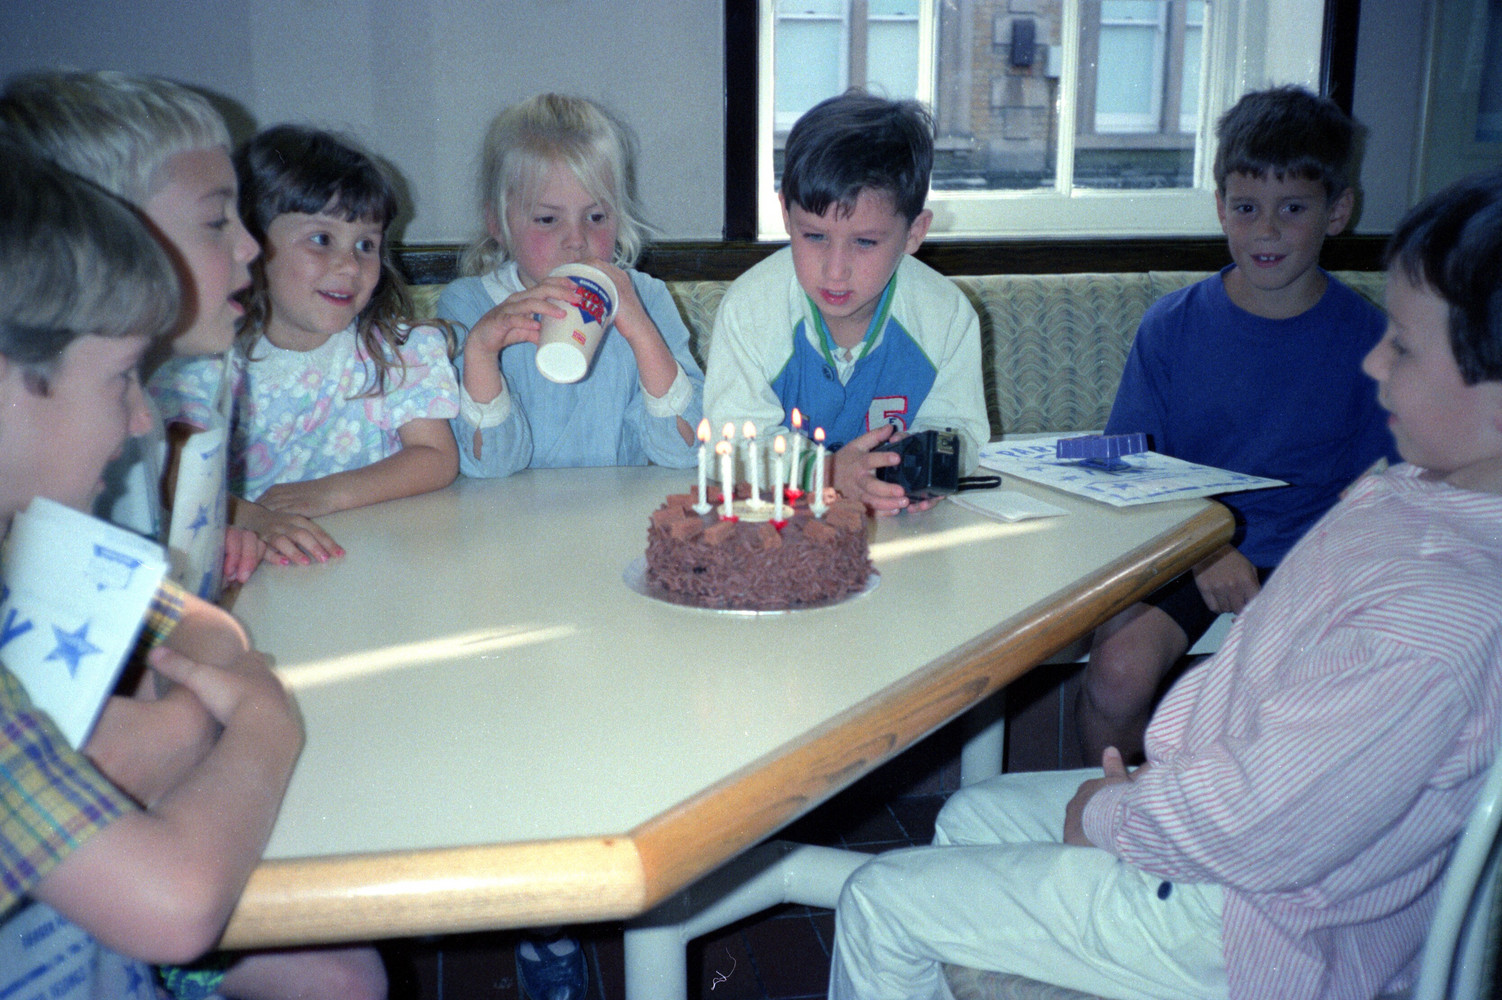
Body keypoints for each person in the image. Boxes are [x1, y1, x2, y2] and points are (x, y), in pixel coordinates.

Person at [827, 166, 1502, 1000]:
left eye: (1403, 344)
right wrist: (1150, 794)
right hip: (1227, 820)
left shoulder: (1439, 619)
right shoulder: (1417, 495)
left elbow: (1265, 825)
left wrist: (1116, 816)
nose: (1373, 357)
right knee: (971, 817)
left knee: (879, 902)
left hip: (1255, 924)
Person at [0, 142, 386, 1000]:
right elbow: (173, 906)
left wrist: (173, 723)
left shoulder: (33, 547)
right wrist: (261, 718)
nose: (143, 419)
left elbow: (198, 624)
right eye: (120, 382)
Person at [1077, 85, 1398, 762]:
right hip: (1188, 543)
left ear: (1338, 211)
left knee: (1299, 703)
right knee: (1117, 671)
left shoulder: (1371, 339)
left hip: (1310, 561)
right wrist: (1206, 548)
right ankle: (1114, 811)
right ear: (1221, 207)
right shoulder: (1172, 325)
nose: (1267, 231)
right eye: (1247, 208)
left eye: (1293, 209)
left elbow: (1383, 493)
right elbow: (1129, 467)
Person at [0, 69, 266, 593]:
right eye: (217, 221)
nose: (251, 247)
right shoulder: (67, 430)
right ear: (112, 230)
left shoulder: (131, 411)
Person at [156, 125, 460, 567]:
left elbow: (435, 457)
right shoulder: (206, 364)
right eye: (321, 239)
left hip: (381, 565)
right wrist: (254, 519)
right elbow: (176, 478)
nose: (349, 265)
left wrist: (328, 493)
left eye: (366, 245)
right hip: (262, 572)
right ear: (251, 245)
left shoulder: (394, 351)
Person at [702, 90, 987, 515]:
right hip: (781, 530)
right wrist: (827, 473)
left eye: (865, 242)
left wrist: (914, 472)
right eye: (814, 236)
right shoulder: (750, 310)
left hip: (903, 531)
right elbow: (728, 449)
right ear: (786, 214)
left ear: (914, 233)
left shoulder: (946, 316)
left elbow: (960, 436)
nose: (835, 270)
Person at [442, 92, 704, 478]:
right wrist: (481, 350)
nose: (577, 240)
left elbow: (688, 450)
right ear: (497, 223)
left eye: (596, 216)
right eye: (548, 220)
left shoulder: (646, 298)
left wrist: (642, 332)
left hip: (622, 509)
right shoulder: (469, 305)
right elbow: (487, 466)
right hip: (512, 512)